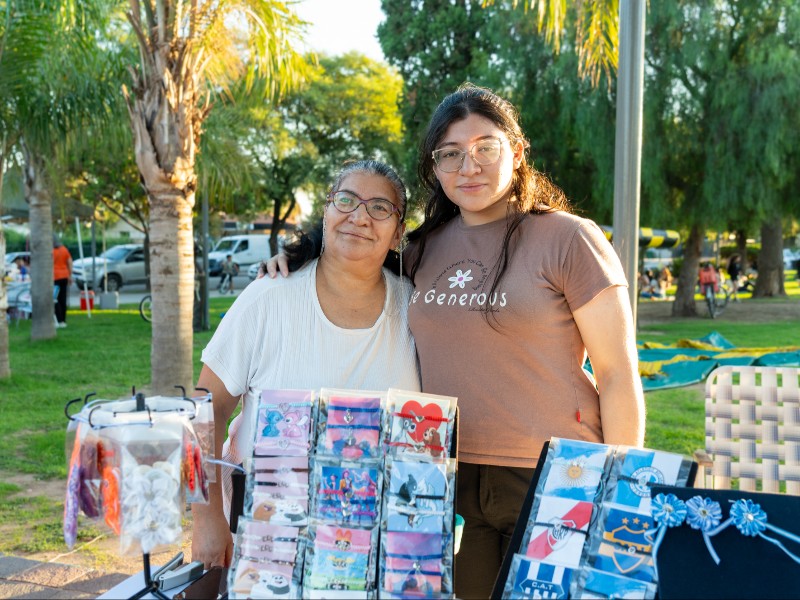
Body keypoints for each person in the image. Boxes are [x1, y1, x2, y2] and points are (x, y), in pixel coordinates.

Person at [266, 84, 645, 597]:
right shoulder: (423, 249)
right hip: (446, 477)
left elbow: (618, 373)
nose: (469, 167)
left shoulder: (569, 238)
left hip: (558, 473)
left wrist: (623, 489)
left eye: (485, 148)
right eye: (450, 154)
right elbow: (357, 246)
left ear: (516, 150)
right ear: (435, 168)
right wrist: (298, 253)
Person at [190, 160, 420, 569]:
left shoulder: (417, 309)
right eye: (346, 200)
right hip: (266, 538)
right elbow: (206, 410)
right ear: (327, 211)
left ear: (399, 231)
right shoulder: (269, 297)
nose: (359, 217)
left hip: (380, 543)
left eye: (380, 208)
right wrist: (206, 517)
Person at [53, 236, 72, 328]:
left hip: (54, 277)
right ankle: (63, 320)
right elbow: (69, 262)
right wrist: (70, 275)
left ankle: (59, 319)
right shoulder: (64, 250)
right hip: (64, 276)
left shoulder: (51, 251)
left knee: (55, 299)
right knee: (63, 298)